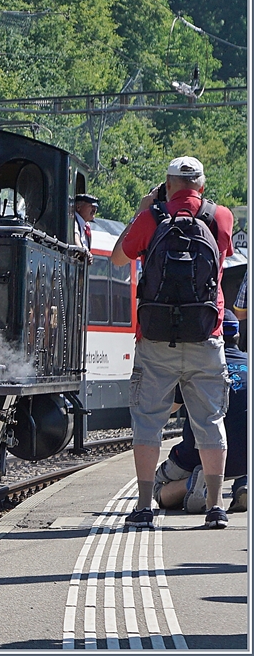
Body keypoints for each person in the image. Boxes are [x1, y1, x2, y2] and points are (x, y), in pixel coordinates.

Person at [111, 156, 235, 529]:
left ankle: (146, 507)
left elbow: (119, 259)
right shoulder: (220, 217)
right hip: (205, 337)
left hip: (155, 340)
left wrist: (142, 209)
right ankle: (215, 508)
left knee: (147, 423)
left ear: (167, 184)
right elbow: (222, 261)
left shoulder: (151, 218)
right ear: (201, 184)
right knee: (211, 421)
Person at [153, 310, 248, 513]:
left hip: (197, 456)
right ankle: (243, 483)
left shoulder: (197, 368)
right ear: (238, 336)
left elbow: (167, 410)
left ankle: (192, 484)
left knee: (157, 487)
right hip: (245, 459)